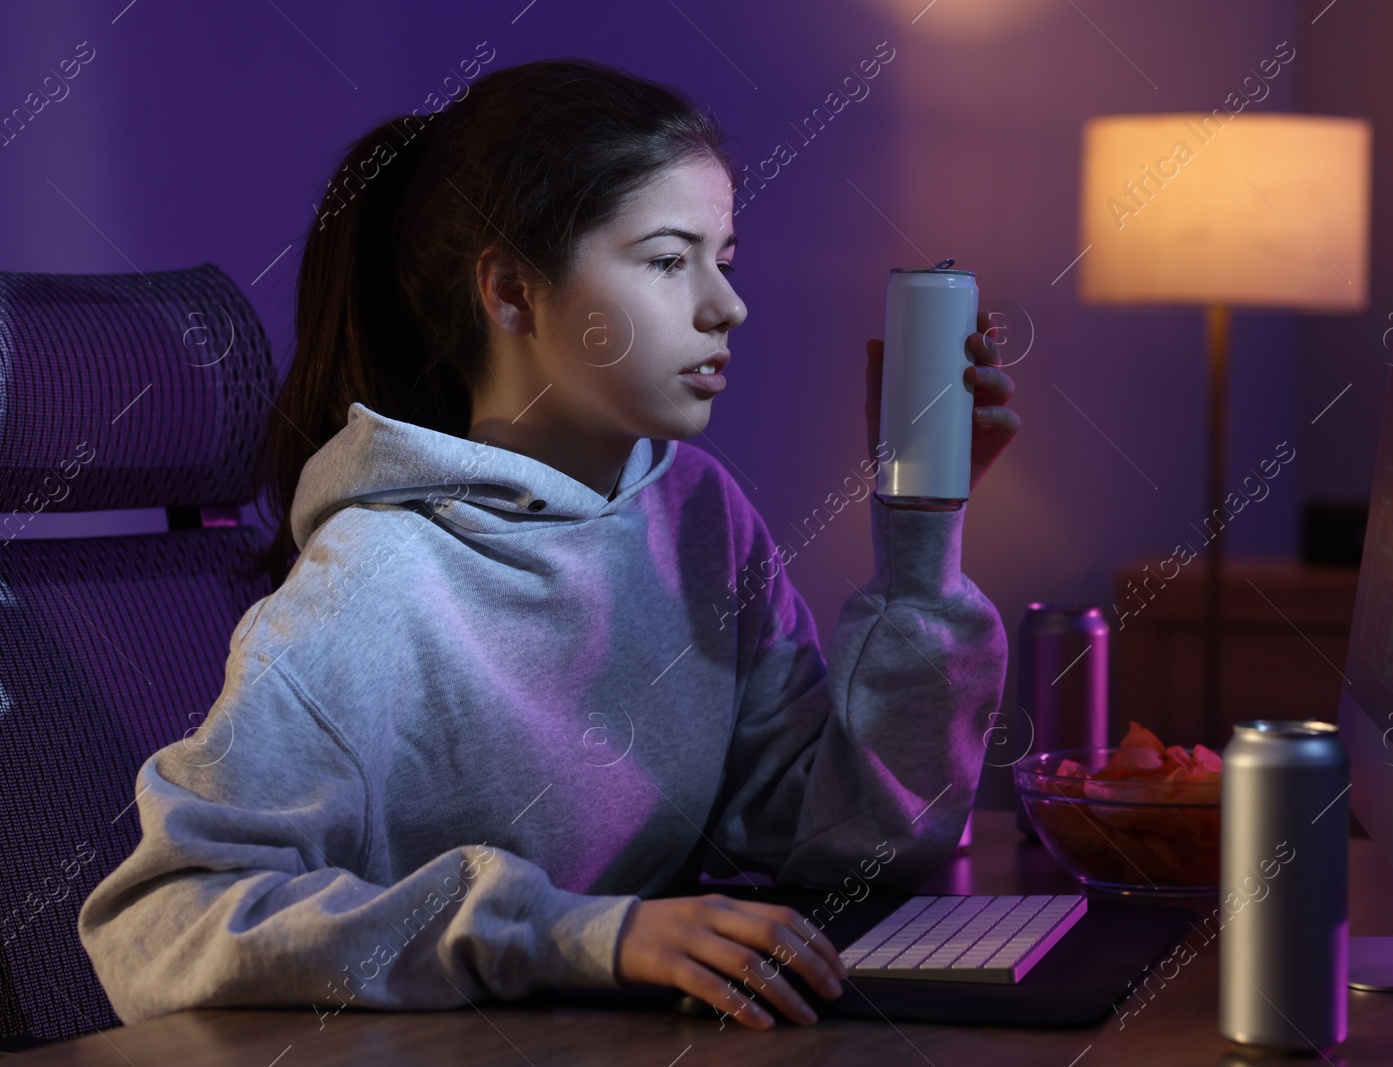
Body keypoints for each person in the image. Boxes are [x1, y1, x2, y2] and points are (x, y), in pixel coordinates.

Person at [77, 56, 1020, 1033]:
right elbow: (158, 924)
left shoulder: (697, 510)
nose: (725, 305)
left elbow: (852, 845)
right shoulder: (374, 585)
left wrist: (921, 535)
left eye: (722, 257)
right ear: (513, 294)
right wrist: (579, 933)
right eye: (666, 259)